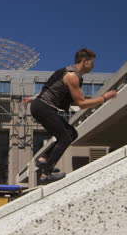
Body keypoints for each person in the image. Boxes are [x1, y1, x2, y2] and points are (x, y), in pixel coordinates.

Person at [23, 48, 117, 184]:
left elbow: (51, 87)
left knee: (71, 134)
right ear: (85, 61)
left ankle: (44, 160)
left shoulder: (67, 71)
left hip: (41, 105)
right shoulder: (72, 76)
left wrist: (33, 98)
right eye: (92, 62)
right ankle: (46, 174)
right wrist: (104, 98)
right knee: (66, 136)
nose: (94, 66)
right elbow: (81, 104)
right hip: (44, 107)